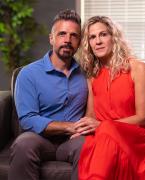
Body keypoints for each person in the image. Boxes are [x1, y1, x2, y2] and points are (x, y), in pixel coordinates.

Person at [76, 16, 145, 179]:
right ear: (88, 43)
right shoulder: (92, 76)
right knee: (100, 136)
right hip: (106, 139)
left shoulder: (138, 67)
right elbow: (91, 117)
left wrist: (103, 125)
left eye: (103, 34)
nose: (98, 41)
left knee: (106, 129)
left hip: (138, 137)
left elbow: (143, 117)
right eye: (92, 37)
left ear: (114, 38)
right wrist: (83, 126)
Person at [9, 9, 88, 180]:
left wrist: (137, 113)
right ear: (51, 38)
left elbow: (107, 100)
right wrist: (68, 126)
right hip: (39, 139)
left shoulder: (87, 74)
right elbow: (28, 118)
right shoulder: (28, 74)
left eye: (74, 35)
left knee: (88, 145)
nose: (68, 40)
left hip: (73, 140)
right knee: (23, 144)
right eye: (62, 34)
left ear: (80, 42)